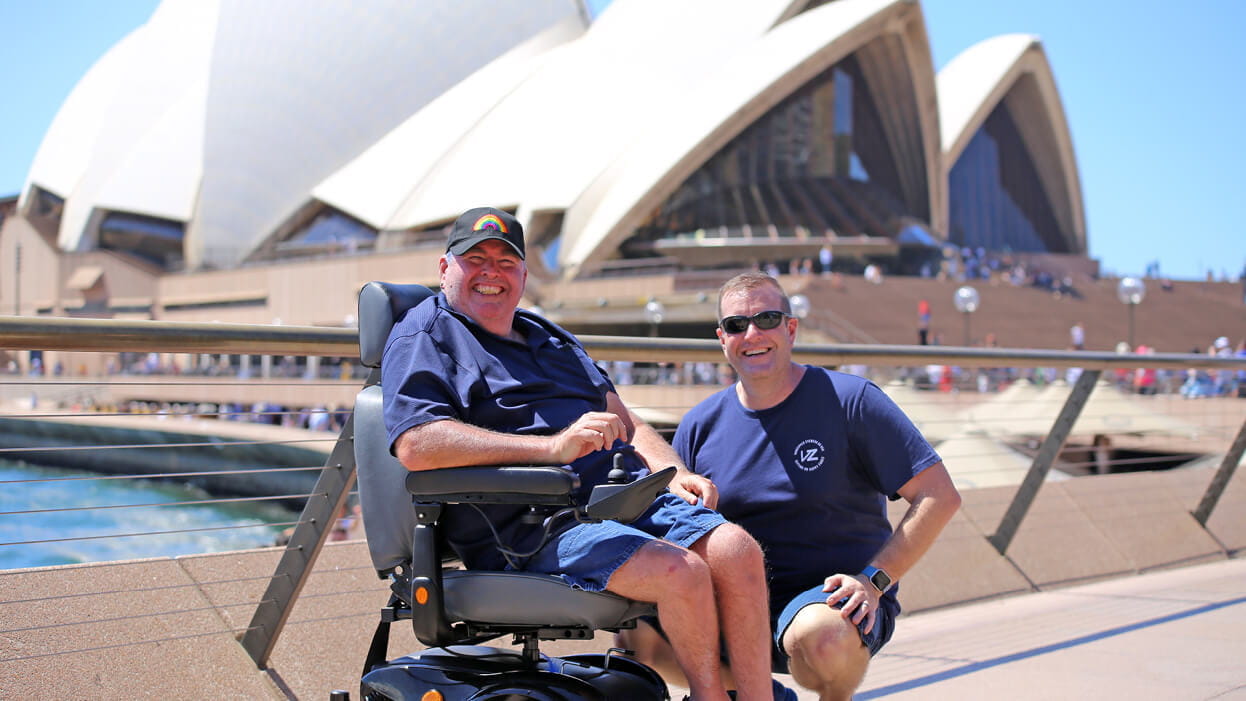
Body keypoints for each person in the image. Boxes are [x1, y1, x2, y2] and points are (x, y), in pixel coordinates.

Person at [381, 207, 778, 700]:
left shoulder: (549, 337)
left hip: (618, 502)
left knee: (736, 551)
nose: (491, 273)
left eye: (506, 263)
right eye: (474, 259)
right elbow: (417, 443)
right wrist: (552, 448)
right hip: (529, 525)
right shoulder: (424, 335)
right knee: (681, 572)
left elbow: (624, 421)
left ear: (524, 275)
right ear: (445, 269)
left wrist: (671, 472)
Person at [621, 273, 961, 701]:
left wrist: (875, 581)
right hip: (731, 604)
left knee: (821, 640)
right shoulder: (699, 425)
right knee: (635, 640)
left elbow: (940, 496)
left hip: (832, 601)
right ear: (721, 339)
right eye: (736, 325)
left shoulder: (851, 400)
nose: (752, 334)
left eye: (767, 319)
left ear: (791, 328)